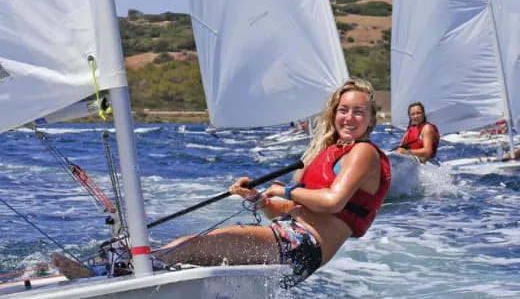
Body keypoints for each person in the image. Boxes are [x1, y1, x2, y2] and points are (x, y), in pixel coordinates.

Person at [53, 78, 391, 288]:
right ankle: (109, 271)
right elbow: (281, 210)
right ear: (334, 113)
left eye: (358, 112)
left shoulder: (364, 152)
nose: (349, 118)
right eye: (344, 110)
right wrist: (259, 198)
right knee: (189, 246)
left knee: (199, 244)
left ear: (371, 119)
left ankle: (106, 278)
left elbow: (332, 202)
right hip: (288, 240)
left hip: (302, 247)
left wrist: (284, 188)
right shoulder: (324, 153)